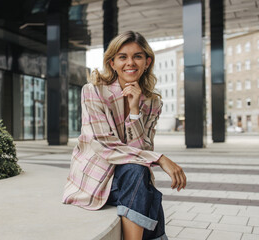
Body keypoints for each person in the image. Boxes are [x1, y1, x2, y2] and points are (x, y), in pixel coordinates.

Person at [62, 31, 186, 240]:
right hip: (96, 178)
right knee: (146, 188)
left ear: (147, 62)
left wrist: (135, 109)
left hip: (128, 179)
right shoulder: (94, 92)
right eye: (123, 57)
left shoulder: (153, 103)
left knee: (139, 174)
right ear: (112, 63)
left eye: (137, 56)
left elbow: (142, 151)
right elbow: (104, 146)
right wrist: (160, 159)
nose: (130, 63)